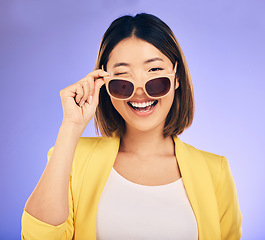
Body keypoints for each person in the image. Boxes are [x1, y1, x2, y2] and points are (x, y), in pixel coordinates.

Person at [21, 13, 242, 240]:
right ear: (104, 83)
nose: (140, 90)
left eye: (154, 71)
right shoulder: (74, 159)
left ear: (177, 78)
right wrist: (71, 125)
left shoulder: (216, 171)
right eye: (123, 76)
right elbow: (39, 236)